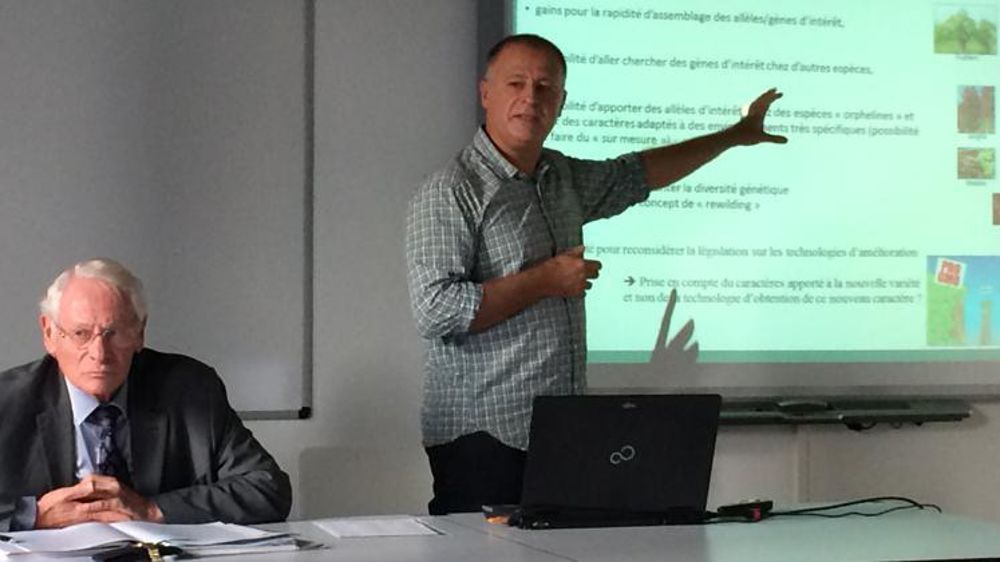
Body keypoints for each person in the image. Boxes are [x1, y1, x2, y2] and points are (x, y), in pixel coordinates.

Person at [405, 34, 787, 515]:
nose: (531, 98)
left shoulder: (558, 176)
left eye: (545, 87)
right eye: (516, 83)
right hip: (482, 438)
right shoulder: (452, 190)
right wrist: (546, 280)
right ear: (486, 92)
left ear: (561, 102)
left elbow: (636, 174)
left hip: (558, 433)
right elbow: (435, 309)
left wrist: (733, 136)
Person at [0, 258, 292, 531]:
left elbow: (267, 489)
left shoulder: (189, 388)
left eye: (114, 333)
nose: (99, 354)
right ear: (49, 334)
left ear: (139, 333)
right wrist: (33, 515)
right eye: (81, 334)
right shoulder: (8, 401)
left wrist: (152, 509)